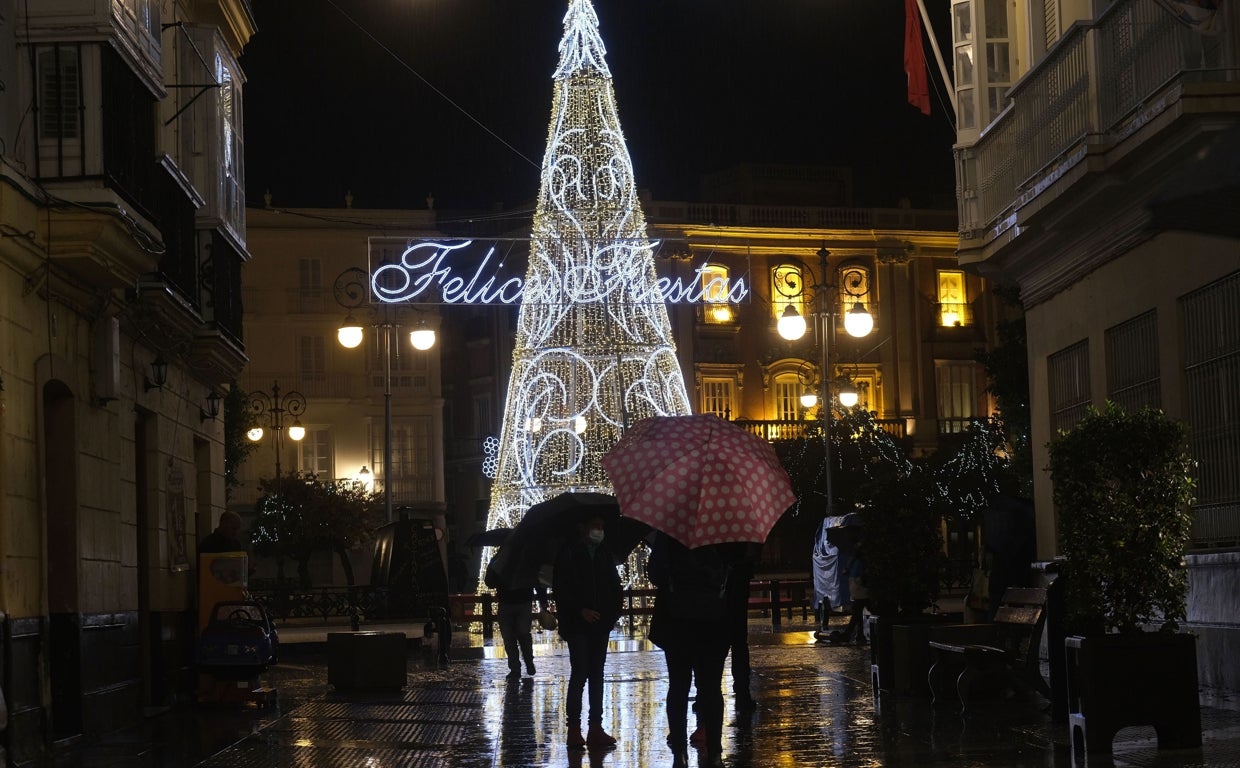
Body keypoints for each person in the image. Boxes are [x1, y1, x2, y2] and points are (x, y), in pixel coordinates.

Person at [649, 533, 739, 768]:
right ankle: (715, 753)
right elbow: (734, 571)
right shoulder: (722, 531)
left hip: (677, 622)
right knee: (711, 688)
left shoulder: (669, 531)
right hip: (713, 621)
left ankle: (679, 753)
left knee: (678, 686)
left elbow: (655, 574)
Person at [552, 513, 623, 750]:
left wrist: (612, 615)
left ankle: (596, 727)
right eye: (595, 525)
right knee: (580, 673)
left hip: (601, 624)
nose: (599, 530)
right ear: (582, 527)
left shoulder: (604, 553)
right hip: (577, 625)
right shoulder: (569, 553)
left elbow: (615, 587)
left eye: (602, 526)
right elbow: (562, 590)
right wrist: (580, 610)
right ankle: (574, 728)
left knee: (597, 675)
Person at [496, 564, 549, 681]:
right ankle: (527, 661)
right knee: (522, 634)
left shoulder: (502, 560)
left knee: (510, 637)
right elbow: (537, 580)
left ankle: (516, 667)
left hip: (507, 601)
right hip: (522, 600)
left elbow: (490, 580)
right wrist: (543, 600)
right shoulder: (527, 560)